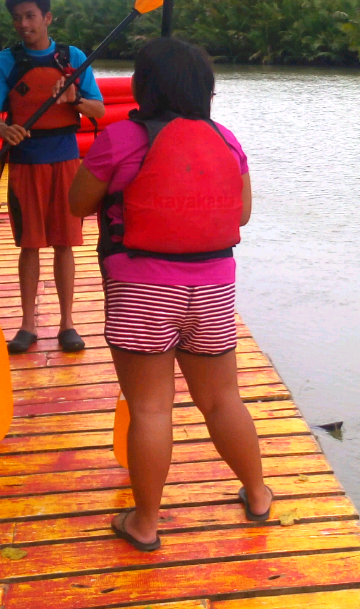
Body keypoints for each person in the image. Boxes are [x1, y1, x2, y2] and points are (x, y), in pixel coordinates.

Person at [69, 37, 270, 551]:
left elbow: (77, 203)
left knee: (152, 409)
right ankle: (258, 494)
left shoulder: (120, 139)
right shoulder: (226, 139)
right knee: (223, 399)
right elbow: (241, 214)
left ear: (143, 87)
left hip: (140, 288)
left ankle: (146, 524)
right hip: (213, 288)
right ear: (206, 89)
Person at [0, 0, 104, 354]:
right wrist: (3, 129)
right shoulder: (5, 61)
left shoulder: (73, 58)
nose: (24, 24)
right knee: (30, 244)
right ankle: (28, 324)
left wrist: (74, 98)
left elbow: (98, 111)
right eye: (17, 18)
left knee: (65, 243)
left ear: (47, 18)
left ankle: (68, 323)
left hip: (65, 159)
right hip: (25, 160)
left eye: (31, 16)